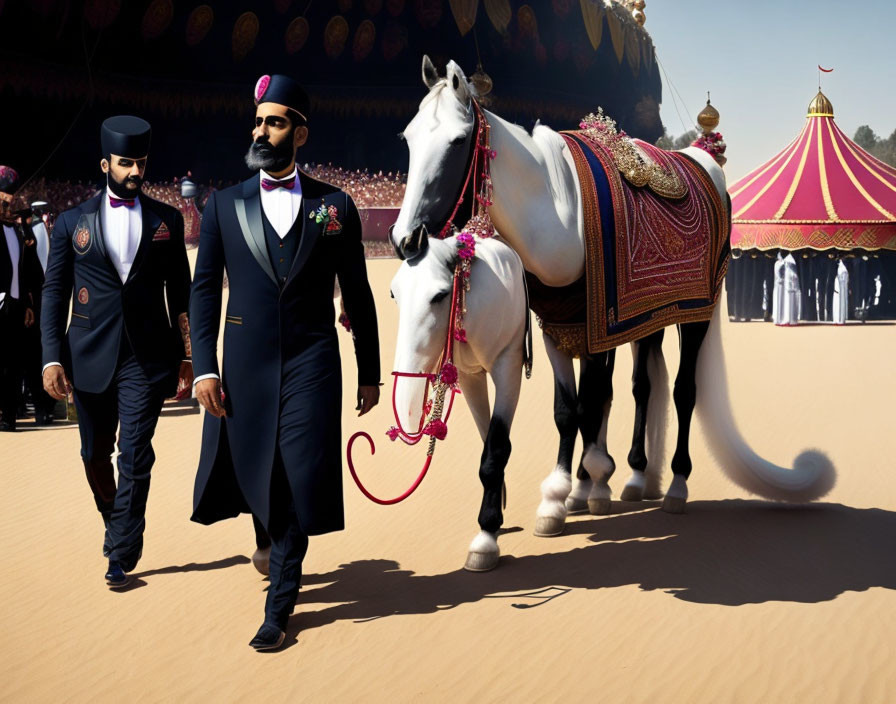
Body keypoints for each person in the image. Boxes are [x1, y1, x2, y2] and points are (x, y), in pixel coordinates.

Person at [190, 74, 381, 651]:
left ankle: (280, 607)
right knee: (260, 467)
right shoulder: (224, 206)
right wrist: (203, 367)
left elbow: (359, 290)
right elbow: (204, 292)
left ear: (300, 132)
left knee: (298, 468)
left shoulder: (334, 207)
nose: (261, 131)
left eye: (274, 122)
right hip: (243, 364)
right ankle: (270, 540)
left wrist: (369, 370)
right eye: (257, 121)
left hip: (312, 359)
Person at [41, 116, 193, 588]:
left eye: (140, 163)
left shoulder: (167, 220)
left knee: (135, 453)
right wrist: (51, 358)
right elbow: (54, 293)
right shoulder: (71, 223)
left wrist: (189, 357)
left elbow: (182, 295)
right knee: (93, 454)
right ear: (106, 163)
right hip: (86, 356)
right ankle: (115, 518)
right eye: (126, 162)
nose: (134, 171)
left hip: (147, 359)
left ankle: (121, 549)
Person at [0, 166, 41, 431]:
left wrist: (27, 303)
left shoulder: (14, 230)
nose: (7, 204)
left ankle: (9, 417)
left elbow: (23, 270)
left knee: (13, 364)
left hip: (14, 306)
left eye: (9, 200)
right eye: (3, 200)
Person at [832, 258, 849, 325]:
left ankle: (840, 319)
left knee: (841, 303)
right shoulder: (837, 268)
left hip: (841, 290)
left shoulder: (843, 269)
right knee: (836, 304)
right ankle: (837, 319)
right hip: (837, 291)